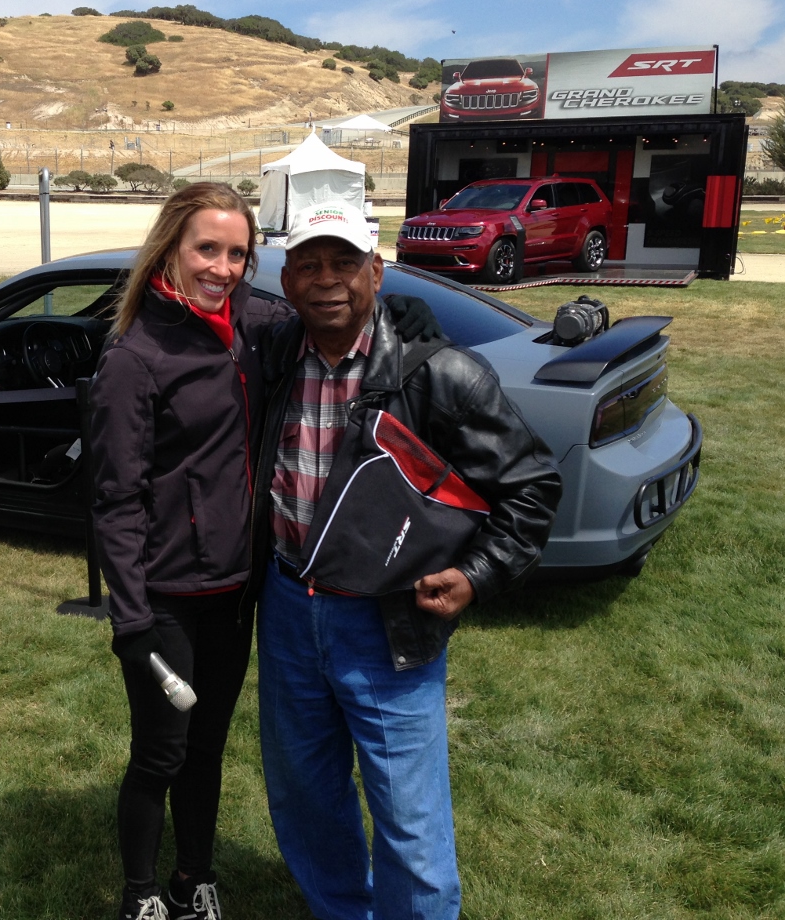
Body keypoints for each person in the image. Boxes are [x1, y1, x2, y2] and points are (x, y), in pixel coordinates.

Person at [89, 185, 438, 920]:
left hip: (237, 589)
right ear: (171, 250)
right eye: (206, 250)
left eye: (237, 253)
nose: (221, 267)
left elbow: (334, 309)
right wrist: (130, 620)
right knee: (162, 751)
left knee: (208, 746)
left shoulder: (254, 324)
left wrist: (403, 311)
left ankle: (194, 880)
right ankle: (141, 895)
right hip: (165, 598)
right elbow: (116, 501)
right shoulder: (135, 356)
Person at [248, 201, 563, 920]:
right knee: (304, 793)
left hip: (389, 622)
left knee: (411, 826)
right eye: (308, 265)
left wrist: (478, 576)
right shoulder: (271, 358)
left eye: (345, 263)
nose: (327, 280)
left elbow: (533, 485)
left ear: (377, 272)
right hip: (291, 609)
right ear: (288, 280)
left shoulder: (440, 372)